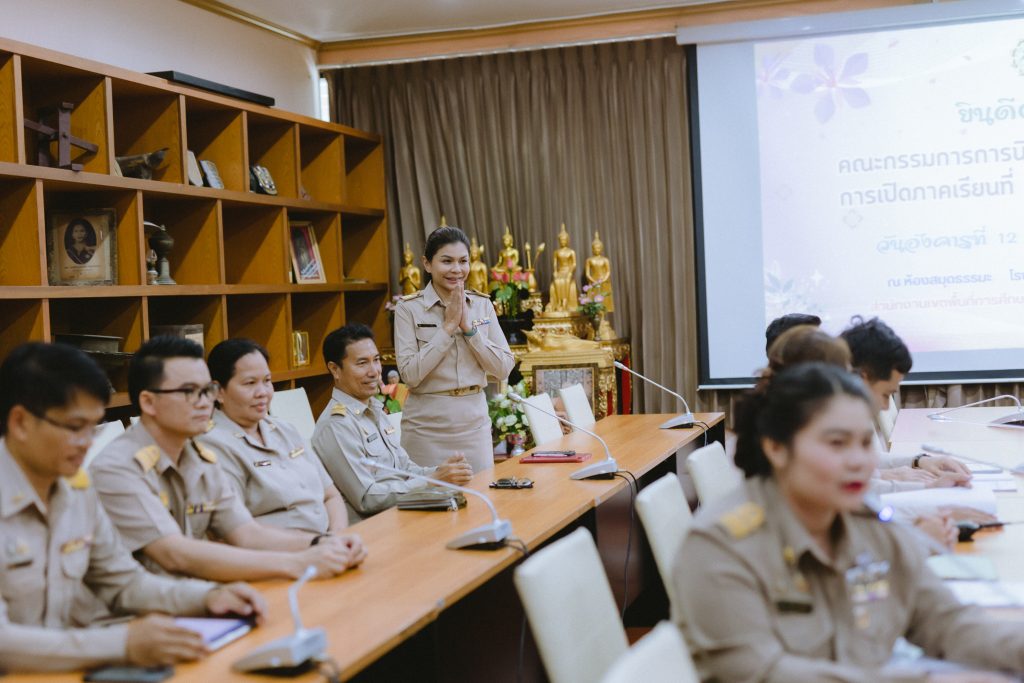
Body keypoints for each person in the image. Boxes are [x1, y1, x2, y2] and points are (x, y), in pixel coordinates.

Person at [673, 362, 1024, 683]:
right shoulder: (721, 547)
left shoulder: (869, 527)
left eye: (865, 443)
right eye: (837, 443)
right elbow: (759, 674)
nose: (859, 461)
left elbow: (945, 622)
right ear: (776, 448)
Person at [0, 342, 265, 672]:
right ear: (20, 422)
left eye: (93, 428)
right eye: (74, 427)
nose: (87, 443)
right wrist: (123, 644)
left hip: (65, 667)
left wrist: (208, 597)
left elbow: (124, 582)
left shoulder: (75, 490)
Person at [90, 336, 364, 582]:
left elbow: (246, 533)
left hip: (194, 594)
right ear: (149, 402)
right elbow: (174, 555)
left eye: (205, 390)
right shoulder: (118, 468)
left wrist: (322, 544)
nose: (204, 402)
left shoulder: (198, 457)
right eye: (189, 391)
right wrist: (297, 563)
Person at [313, 324, 473, 523]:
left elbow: (405, 470)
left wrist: (442, 471)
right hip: (371, 529)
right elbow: (367, 498)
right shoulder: (336, 425)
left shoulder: (375, 409)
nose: (374, 371)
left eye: (376, 360)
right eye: (362, 363)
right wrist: (433, 480)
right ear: (335, 369)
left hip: (400, 517)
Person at [200, 338, 352, 539]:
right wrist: (318, 545)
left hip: (327, 544)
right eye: (250, 383)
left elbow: (331, 495)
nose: (262, 392)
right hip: (278, 553)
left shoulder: (285, 429)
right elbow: (237, 533)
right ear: (217, 391)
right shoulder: (212, 445)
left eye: (267, 381)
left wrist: (337, 536)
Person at [394, 225, 515, 472]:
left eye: (463, 261)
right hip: (426, 430)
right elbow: (410, 375)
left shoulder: (481, 305)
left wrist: (470, 330)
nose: (457, 269)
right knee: (430, 495)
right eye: (447, 261)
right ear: (427, 264)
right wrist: (448, 327)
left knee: (480, 493)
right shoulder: (408, 309)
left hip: (474, 426)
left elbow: (503, 368)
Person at [840, 316, 971, 486]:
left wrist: (919, 461)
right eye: (886, 395)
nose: (885, 407)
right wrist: (926, 486)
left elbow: (867, 460)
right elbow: (847, 487)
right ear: (861, 379)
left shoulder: (847, 410)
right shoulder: (821, 419)